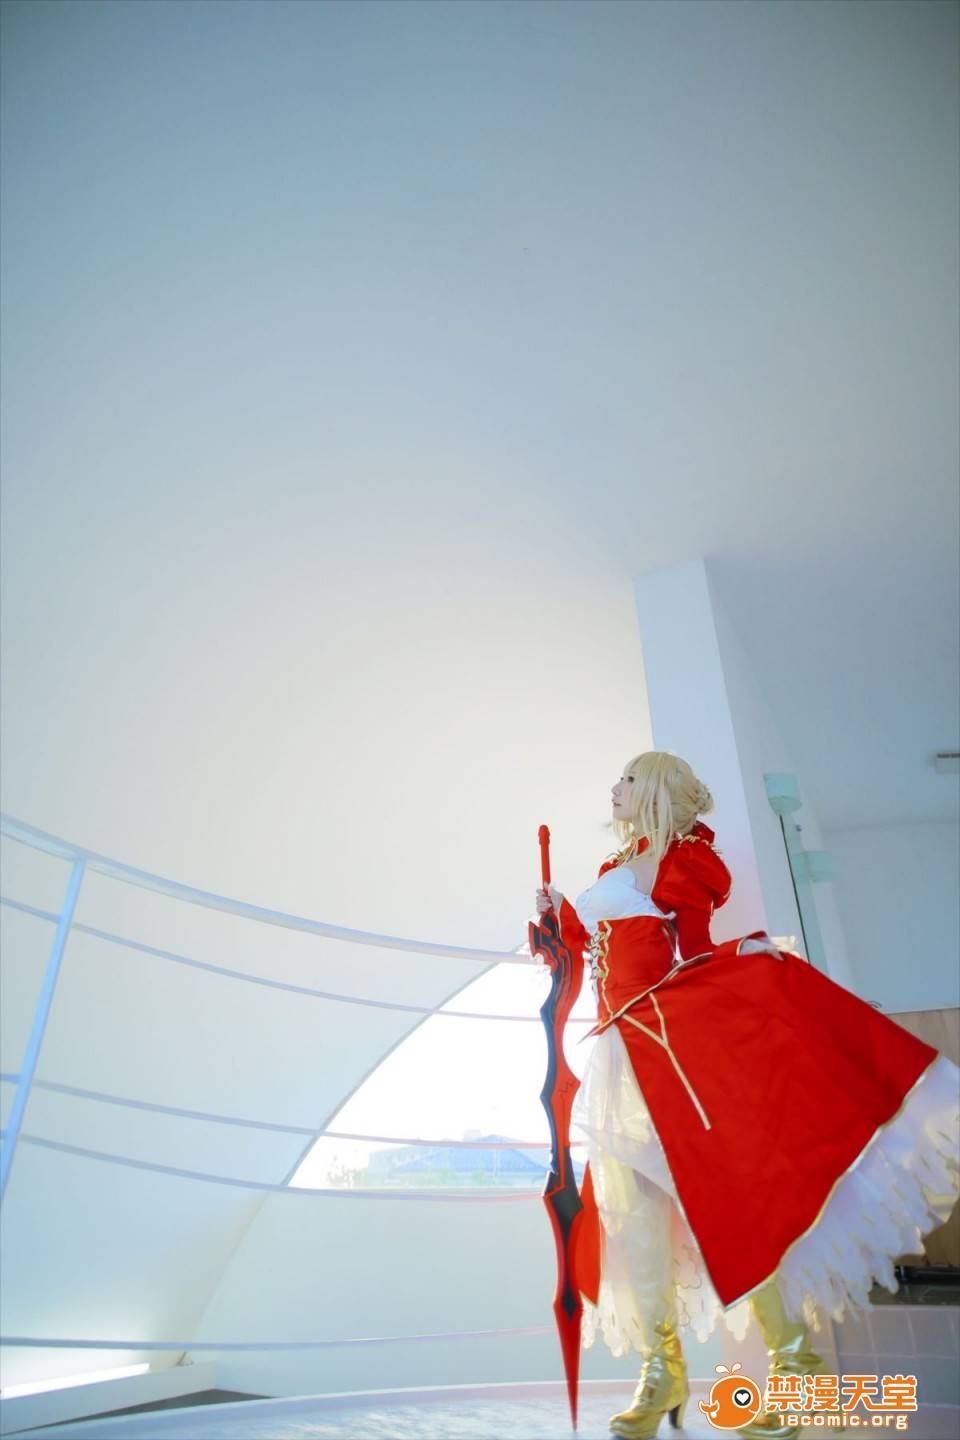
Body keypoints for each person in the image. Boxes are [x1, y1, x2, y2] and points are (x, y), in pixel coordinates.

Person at [534, 751, 959, 1440]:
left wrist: (744, 956)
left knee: (725, 1207)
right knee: (631, 1217)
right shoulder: (616, 867)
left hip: (666, 1050)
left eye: (628, 779)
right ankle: (662, 1372)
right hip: (614, 1055)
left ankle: (798, 1369)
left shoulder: (687, 864)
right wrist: (557, 917)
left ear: (656, 789)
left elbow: (693, 952)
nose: (615, 788)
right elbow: (588, 947)